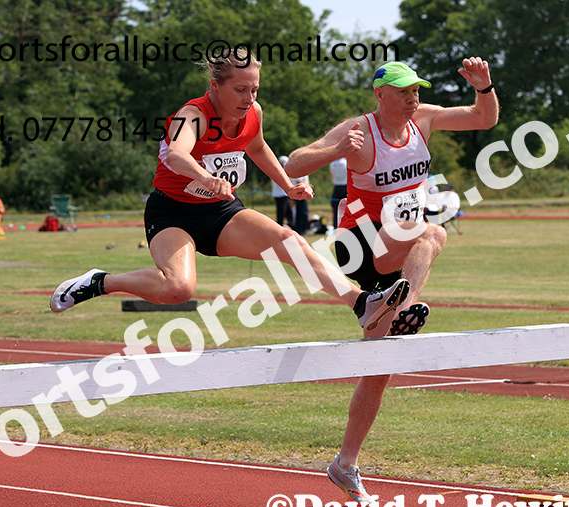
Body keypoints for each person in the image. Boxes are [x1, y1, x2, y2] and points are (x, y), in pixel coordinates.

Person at [50, 48, 411, 341]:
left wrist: (288, 184)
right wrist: (207, 177)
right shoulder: (191, 115)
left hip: (221, 213)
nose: (249, 97)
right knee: (177, 289)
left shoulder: (253, 112)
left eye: (254, 89)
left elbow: (258, 148)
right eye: (240, 89)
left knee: (290, 240)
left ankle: (360, 302)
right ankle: (101, 282)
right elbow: (176, 154)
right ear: (215, 86)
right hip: (173, 212)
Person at [285, 58, 498, 505]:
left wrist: (484, 86)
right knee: (432, 231)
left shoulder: (424, 120)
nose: (412, 98)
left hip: (392, 256)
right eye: (402, 91)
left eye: (415, 90)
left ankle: (344, 464)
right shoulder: (358, 129)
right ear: (379, 94)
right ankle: (406, 306)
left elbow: (484, 118)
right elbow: (297, 160)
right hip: (356, 244)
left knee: (378, 367)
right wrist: (337, 153)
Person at [277, 155, 310, 235]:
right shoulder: (296, 170)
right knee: (301, 211)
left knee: (292, 212)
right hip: (298, 193)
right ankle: (301, 228)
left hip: (291, 193)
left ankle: (297, 228)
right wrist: (307, 186)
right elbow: (299, 181)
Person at [270, 162, 294, 227]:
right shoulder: (278, 172)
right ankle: (280, 225)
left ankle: (291, 225)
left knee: (288, 211)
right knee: (281, 211)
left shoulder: (281, 172)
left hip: (284, 194)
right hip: (280, 195)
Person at [329, 157, 348, 228]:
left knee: (335, 208)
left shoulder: (332, 163)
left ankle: (335, 226)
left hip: (336, 186)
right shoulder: (346, 162)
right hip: (345, 186)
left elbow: (331, 176)